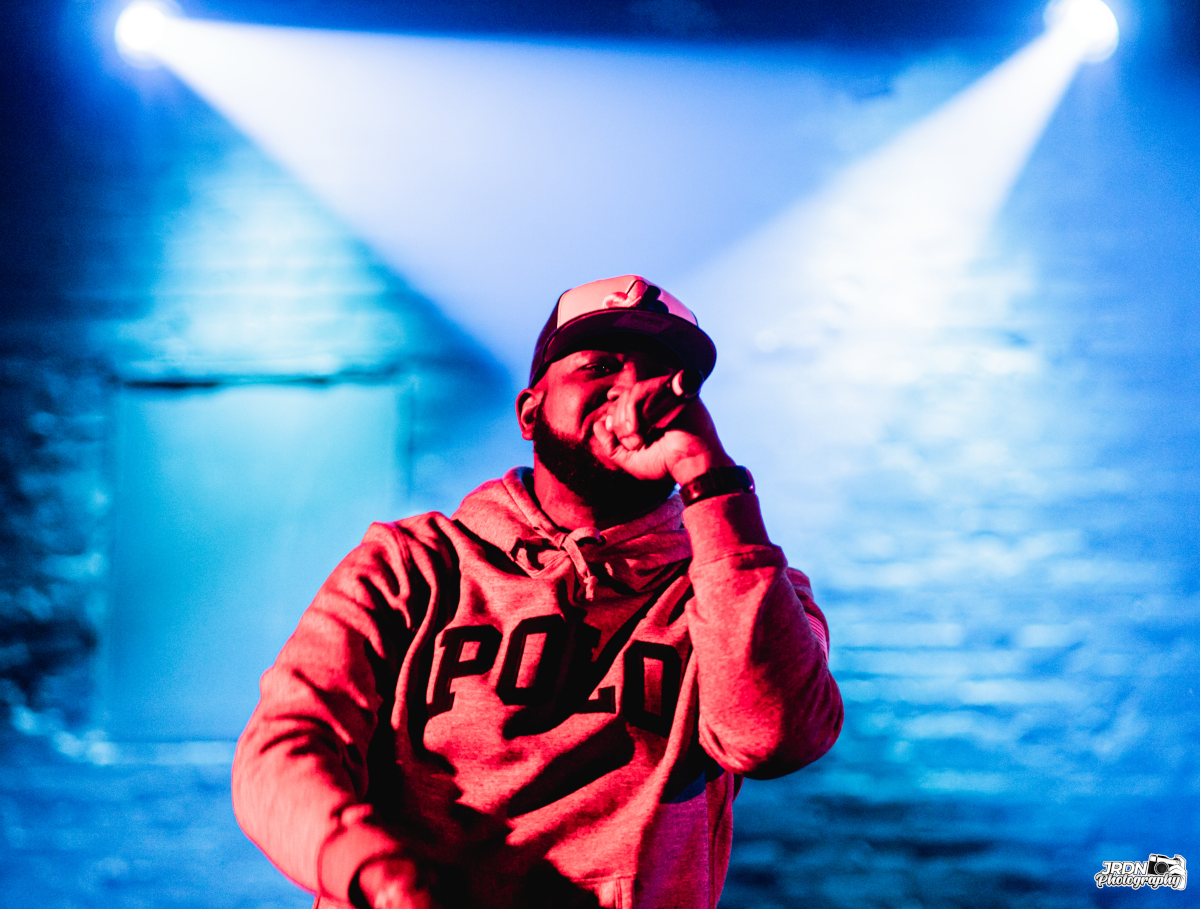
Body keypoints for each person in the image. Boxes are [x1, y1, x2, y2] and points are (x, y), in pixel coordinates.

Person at [232, 275, 843, 909]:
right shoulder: (412, 564)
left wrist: (708, 478)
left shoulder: (741, 585)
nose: (631, 390)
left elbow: (776, 739)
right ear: (530, 412)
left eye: (664, 378)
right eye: (598, 366)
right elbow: (286, 744)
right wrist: (370, 868)